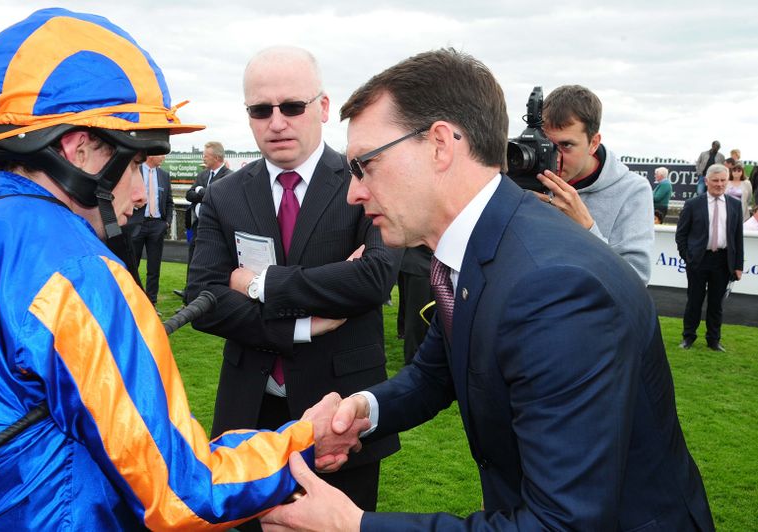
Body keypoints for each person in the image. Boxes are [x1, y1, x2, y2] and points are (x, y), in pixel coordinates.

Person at [0, 9, 365, 529]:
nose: (142, 194)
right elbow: (182, 491)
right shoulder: (78, 271)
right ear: (79, 151)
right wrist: (303, 437)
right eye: (137, 164)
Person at [262, 47, 715, 532]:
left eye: (364, 165)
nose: (354, 192)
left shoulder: (554, 290)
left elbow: (561, 524)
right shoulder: (482, 244)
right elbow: (434, 375)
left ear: (439, 144)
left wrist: (352, 526)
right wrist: (361, 413)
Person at [186, 45, 401, 519]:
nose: (277, 122)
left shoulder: (364, 179)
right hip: (250, 414)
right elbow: (206, 297)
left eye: (292, 107)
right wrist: (299, 327)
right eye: (261, 110)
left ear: (322, 108)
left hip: (341, 411)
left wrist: (260, 284)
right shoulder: (225, 196)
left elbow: (374, 277)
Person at [534, 85, 654, 284]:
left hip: (586, 312)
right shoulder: (529, 179)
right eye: (547, 144)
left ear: (593, 143)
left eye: (566, 145)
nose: (554, 157)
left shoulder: (632, 190)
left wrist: (586, 228)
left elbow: (636, 279)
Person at [676, 164, 744, 352]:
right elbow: (681, 235)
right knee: (694, 301)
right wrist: (688, 257)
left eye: (723, 180)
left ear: (727, 181)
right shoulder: (693, 204)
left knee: (716, 304)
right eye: (715, 180)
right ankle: (688, 337)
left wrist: (738, 265)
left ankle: (713, 340)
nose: (719, 184)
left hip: (723, 261)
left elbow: (738, 237)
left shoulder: (735, 205)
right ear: (706, 181)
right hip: (698, 260)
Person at [176, 141, 231, 303]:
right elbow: (189, 195)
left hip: (216, 229)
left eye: (206, 156)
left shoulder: (229, 175)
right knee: (192, 259)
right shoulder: (203, 175)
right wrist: (202, 192)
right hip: (197, 225)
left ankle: (204, 295)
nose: (203, 159)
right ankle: (188, 296)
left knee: (208, 262)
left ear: (216, 157)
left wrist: (201, 191)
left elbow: (217, 197)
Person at [128, 153, 172, 307]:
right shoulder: (133, 170)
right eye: (161, 155)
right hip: (137, 224)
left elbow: (169, 202)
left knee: (154, 268)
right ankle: (132, 302)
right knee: (132, 266)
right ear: (151, 155)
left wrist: (166, 223)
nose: (164, 158)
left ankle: (151, 304)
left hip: (157, 226)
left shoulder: (164, 175)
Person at [396, 245, 433, 364]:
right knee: (417, 323)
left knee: (414, 320)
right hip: (420, 266)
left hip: (416, 264)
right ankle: (413, 365)